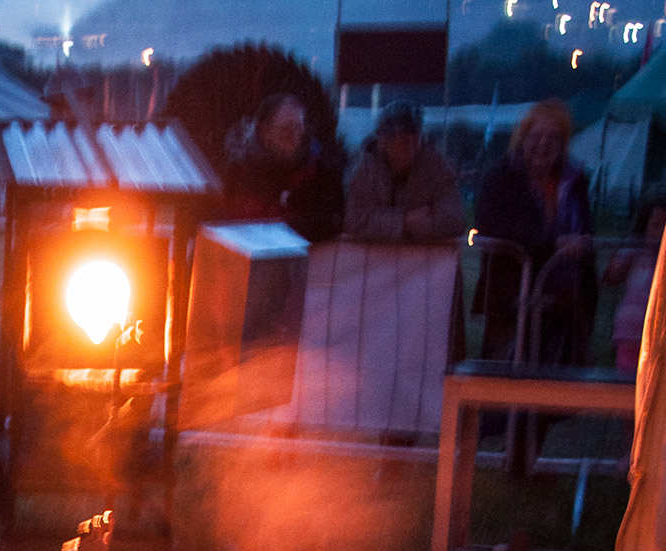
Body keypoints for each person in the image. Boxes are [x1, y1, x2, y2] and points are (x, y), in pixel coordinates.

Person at [473, 98, 596, 366]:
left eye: (553, 138)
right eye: (536, 135)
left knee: (557, 389)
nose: (543, 144)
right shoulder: (501, 178)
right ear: (523, 136)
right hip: (512, 298)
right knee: (505, 385)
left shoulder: (575, 182)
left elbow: (586, 230)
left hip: (566, 303)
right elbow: (492, 225)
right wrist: (553, 244)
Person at [221, 93, 344, 242]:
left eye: (299, 128)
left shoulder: (319, 174)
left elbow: (332, 223)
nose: (295, 137)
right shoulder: (241, 172)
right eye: (286, 129)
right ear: (265, 132)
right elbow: (230, 224)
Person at [344, 100, 466, 243]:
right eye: (401, 139)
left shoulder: (438, 168)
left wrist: (383, 222)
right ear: (383, 140)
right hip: (373, 263)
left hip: (427, 263)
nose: (410, 146)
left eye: (415, 137)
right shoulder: (363, 170)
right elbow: (353, 221)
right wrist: (404, 220)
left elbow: (455, 221)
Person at [603, 187, 666, 373]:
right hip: (630, 333)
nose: (661, 232)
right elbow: (611, 277)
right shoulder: (634, 250)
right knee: (625, 387)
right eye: (656, 224)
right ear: (644, 224)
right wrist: (621, 259)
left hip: (660, 338)